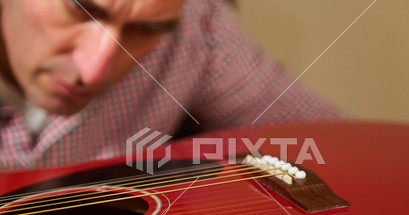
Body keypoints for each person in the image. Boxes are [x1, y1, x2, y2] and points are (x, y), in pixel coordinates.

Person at [0, 0, 344, 171]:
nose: (91, 72)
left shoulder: (197, 27)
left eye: (146, 30)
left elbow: (342, 152)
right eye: (80, 9)